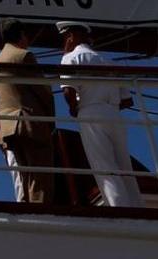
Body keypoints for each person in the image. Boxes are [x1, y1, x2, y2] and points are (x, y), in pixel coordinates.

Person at [59, 21, 144, 207]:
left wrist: (74, 109)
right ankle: (136, 205)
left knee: (103, 164)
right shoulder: (108, 61)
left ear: (71, 36)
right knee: (123, 162)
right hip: (114, 113)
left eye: (65, 37)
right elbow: (128, 100)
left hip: (90, 111)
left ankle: (118, 206)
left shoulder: (71, 58)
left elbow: (68, 91)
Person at [0, 18, 56, 204]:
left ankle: (29, 210)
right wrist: (50, 120)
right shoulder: (24, 56)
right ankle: (41, 215)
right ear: (21, 34)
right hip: (30, 123)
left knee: (25, 176)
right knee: (40, 178)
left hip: (10, 126)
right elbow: (43, 91)